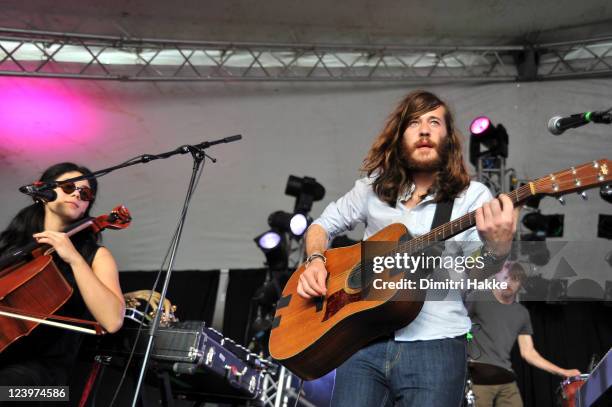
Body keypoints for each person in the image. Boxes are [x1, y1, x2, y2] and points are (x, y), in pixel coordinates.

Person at [297, 90, 519, 406]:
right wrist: (316, 259)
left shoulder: (474, 197)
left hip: (436, 346)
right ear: (400, 135)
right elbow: (321, 225)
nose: (425, 130)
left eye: (434, 122)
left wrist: (497, 249)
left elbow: (475, 274)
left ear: (448, 137)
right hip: (362, 343)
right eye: (414, 122)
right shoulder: (370, 190)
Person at [0, 162, 125, 387]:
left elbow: (113, 320)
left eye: (85, 193)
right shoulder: (9, 245)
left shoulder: (96, 256)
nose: (77, 194)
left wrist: (74, 258)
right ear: (43, 192)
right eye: (68, 187)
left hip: (47, 386)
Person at [467, 262, 581, 407]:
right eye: (506, 277)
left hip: (506, 377)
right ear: (497, 276)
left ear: (520, 284)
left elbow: (528, 352)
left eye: (515, 279)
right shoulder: (478, 298)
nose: (509, 282)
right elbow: (458, 327)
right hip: (479, 375)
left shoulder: (521, 313)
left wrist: (562, 372)